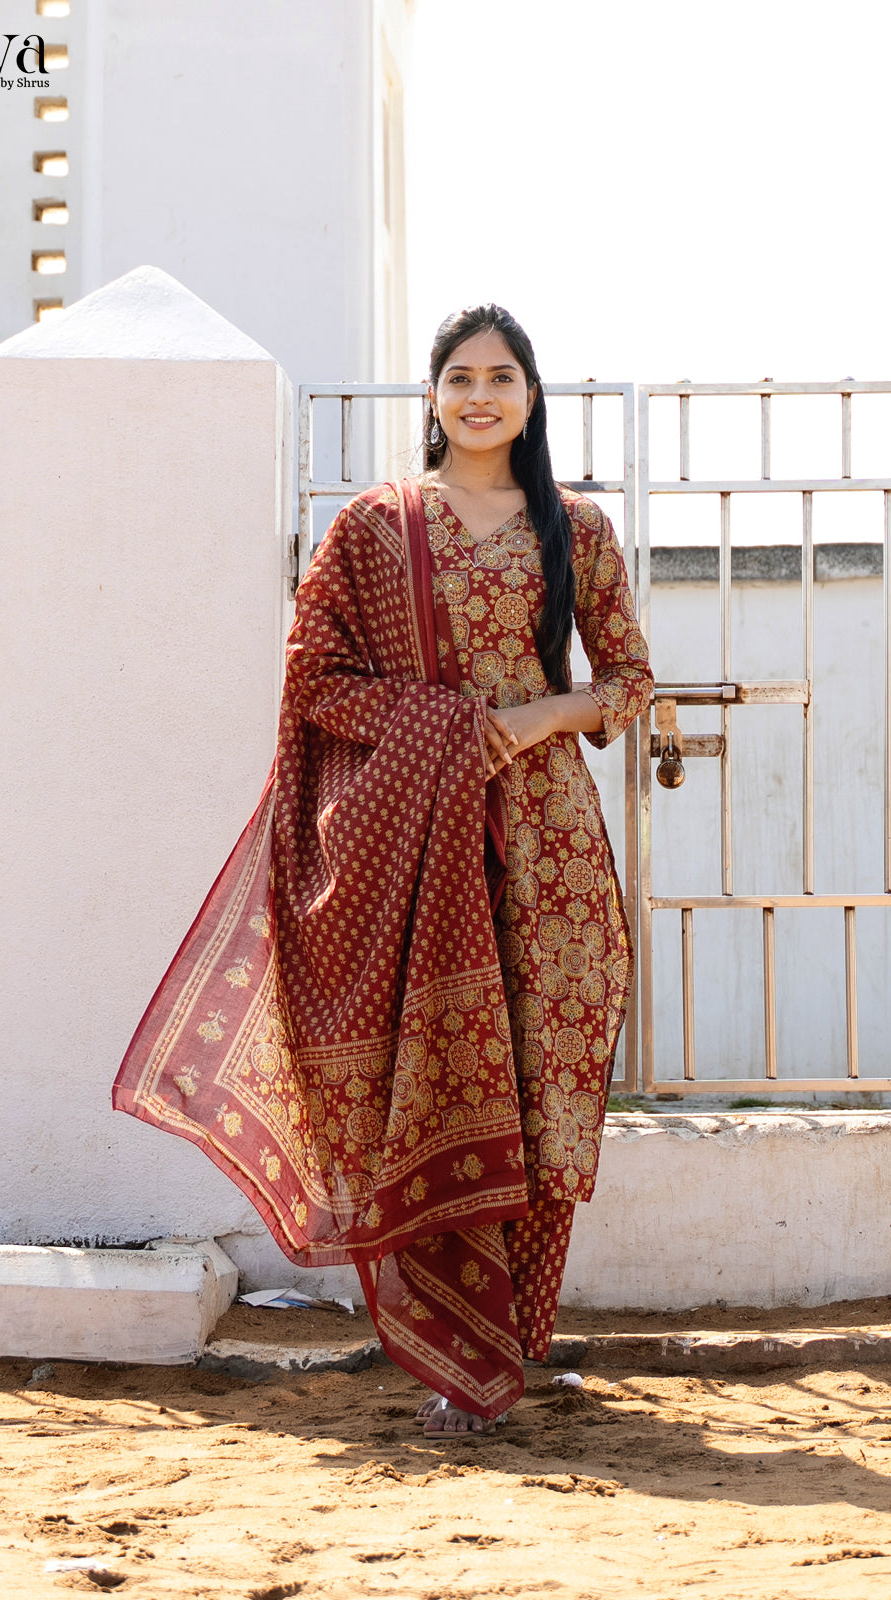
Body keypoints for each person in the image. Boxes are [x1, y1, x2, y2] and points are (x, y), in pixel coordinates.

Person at [113, 304, 654, 1437]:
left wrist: (539, 716)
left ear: (532, 397)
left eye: (503, 376)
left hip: (548, 848)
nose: (481, 396)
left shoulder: (579, 531)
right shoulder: (371, 530)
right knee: (446, 1085)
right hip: (419, 851)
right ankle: (458, 1367)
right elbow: (316, 684)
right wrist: (450, 729)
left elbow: (629, 682)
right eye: (461, 376)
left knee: (543, 1095)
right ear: (432, 397)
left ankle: (511, 1342)